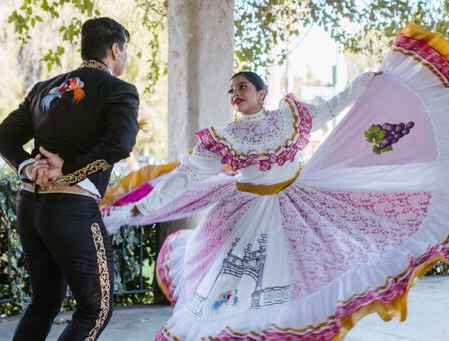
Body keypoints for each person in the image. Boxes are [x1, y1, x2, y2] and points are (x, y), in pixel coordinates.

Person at [102, 23, 449, 341]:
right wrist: (141, 207)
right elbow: (187, 174)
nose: (235, 93)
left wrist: (368, 82)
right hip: (245, 214)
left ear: (261, 92)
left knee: (296, 277)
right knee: (238, 288)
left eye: (243, 87)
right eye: (231, 90)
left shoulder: (291, 118)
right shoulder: (227, 138)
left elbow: (334, 105)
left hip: (296, 206)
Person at [0, 17, 139, 341]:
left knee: (44, 302)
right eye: (125, 51)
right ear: (115, 50)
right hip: (71, 210)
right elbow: (120, 144)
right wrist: (67, 169)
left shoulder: (45, 89)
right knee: (96, 308)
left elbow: (1, 136)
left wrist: (28, 167)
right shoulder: (120, 90)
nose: (125, 57)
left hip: (30, 206)